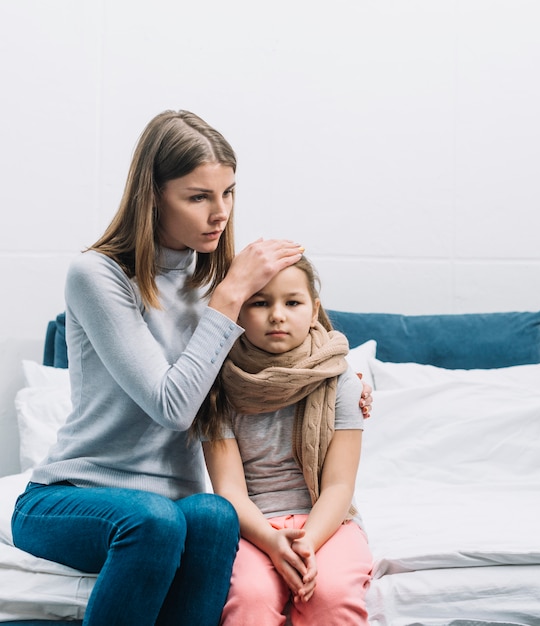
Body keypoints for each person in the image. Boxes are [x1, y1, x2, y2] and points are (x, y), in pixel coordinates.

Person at [11, 110, 371, 626]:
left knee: (214, 514)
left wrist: (348, 381)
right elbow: (173, 407)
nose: (219, 213)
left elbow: (299, 337)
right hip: (74, 497)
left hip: (176, 507)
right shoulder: (99, 276)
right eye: (198, 196)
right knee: (156, 521)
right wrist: (227, 296)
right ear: (152, 196)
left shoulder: (220, 284)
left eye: (227, 193)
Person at [197, 255, 373, 626]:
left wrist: (306, 543)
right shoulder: (215, 386)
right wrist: (273, 543)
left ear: (314, 312)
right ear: (238, 313)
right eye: (259, 303)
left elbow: (340, 485)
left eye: (292, 302)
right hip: (253, 525)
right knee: (250, 597)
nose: (277, 315)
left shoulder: (341, 380)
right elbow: (229, 490)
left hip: (329, 521)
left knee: (332, 594)